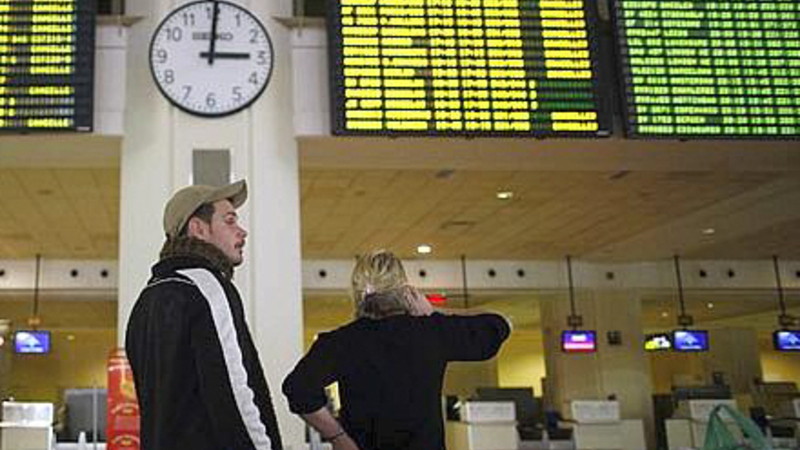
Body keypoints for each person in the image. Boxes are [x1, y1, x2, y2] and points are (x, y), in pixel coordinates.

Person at [282, 250, 511, 450]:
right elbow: (500, 325)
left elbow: (298, 388)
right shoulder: (432, 331)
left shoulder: (341, 341)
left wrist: (338, 438)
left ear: (356, 290)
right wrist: (434, 312)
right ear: (404, 289)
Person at [125, 180, 282, 450]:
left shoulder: (147, 299)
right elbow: (235, 388)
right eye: (229, 221)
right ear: (198, 229)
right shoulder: (206, 287)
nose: (242, 231)